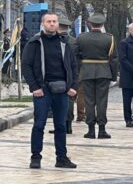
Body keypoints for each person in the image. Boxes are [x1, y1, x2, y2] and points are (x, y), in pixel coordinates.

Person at [22, 12, 77, 169]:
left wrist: (73, 86)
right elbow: (26, 66)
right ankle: (35, 157)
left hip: (62, 89)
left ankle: (61, 158)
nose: (52, 24)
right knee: (39, 124)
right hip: (42, 90)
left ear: (58, 24)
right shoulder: (34, 42)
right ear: (42, 24)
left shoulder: (65, 42)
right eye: (49, 21)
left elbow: (73, 66)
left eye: (54, 21)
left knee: (61, 125)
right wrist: (34, 87)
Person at [76, 14, 118, 139]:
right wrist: (114, 77)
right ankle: (102, 129)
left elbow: (76, 56)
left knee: (89, 101)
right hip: (103, 72)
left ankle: (90, 130)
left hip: (86, 72)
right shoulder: (109, 39)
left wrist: (79, 72)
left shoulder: (81, 38)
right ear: (102, 25)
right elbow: (114, 59)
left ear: (90, 24)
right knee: (102, 101)